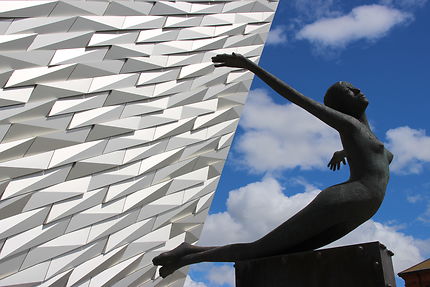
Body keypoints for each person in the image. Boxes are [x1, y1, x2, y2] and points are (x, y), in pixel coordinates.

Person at [152, 53, 393, 278]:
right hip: (346, 200)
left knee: (273, 252)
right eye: (350, 91)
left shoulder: (363, 134)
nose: (358, 90)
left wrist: (344, 151)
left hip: (362, 208)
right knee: (259, 249)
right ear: (341, 106)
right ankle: (188, 257)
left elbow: (373, 152)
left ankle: (189, 252)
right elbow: (298, 99)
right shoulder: (349, 126)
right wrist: (251, 67)